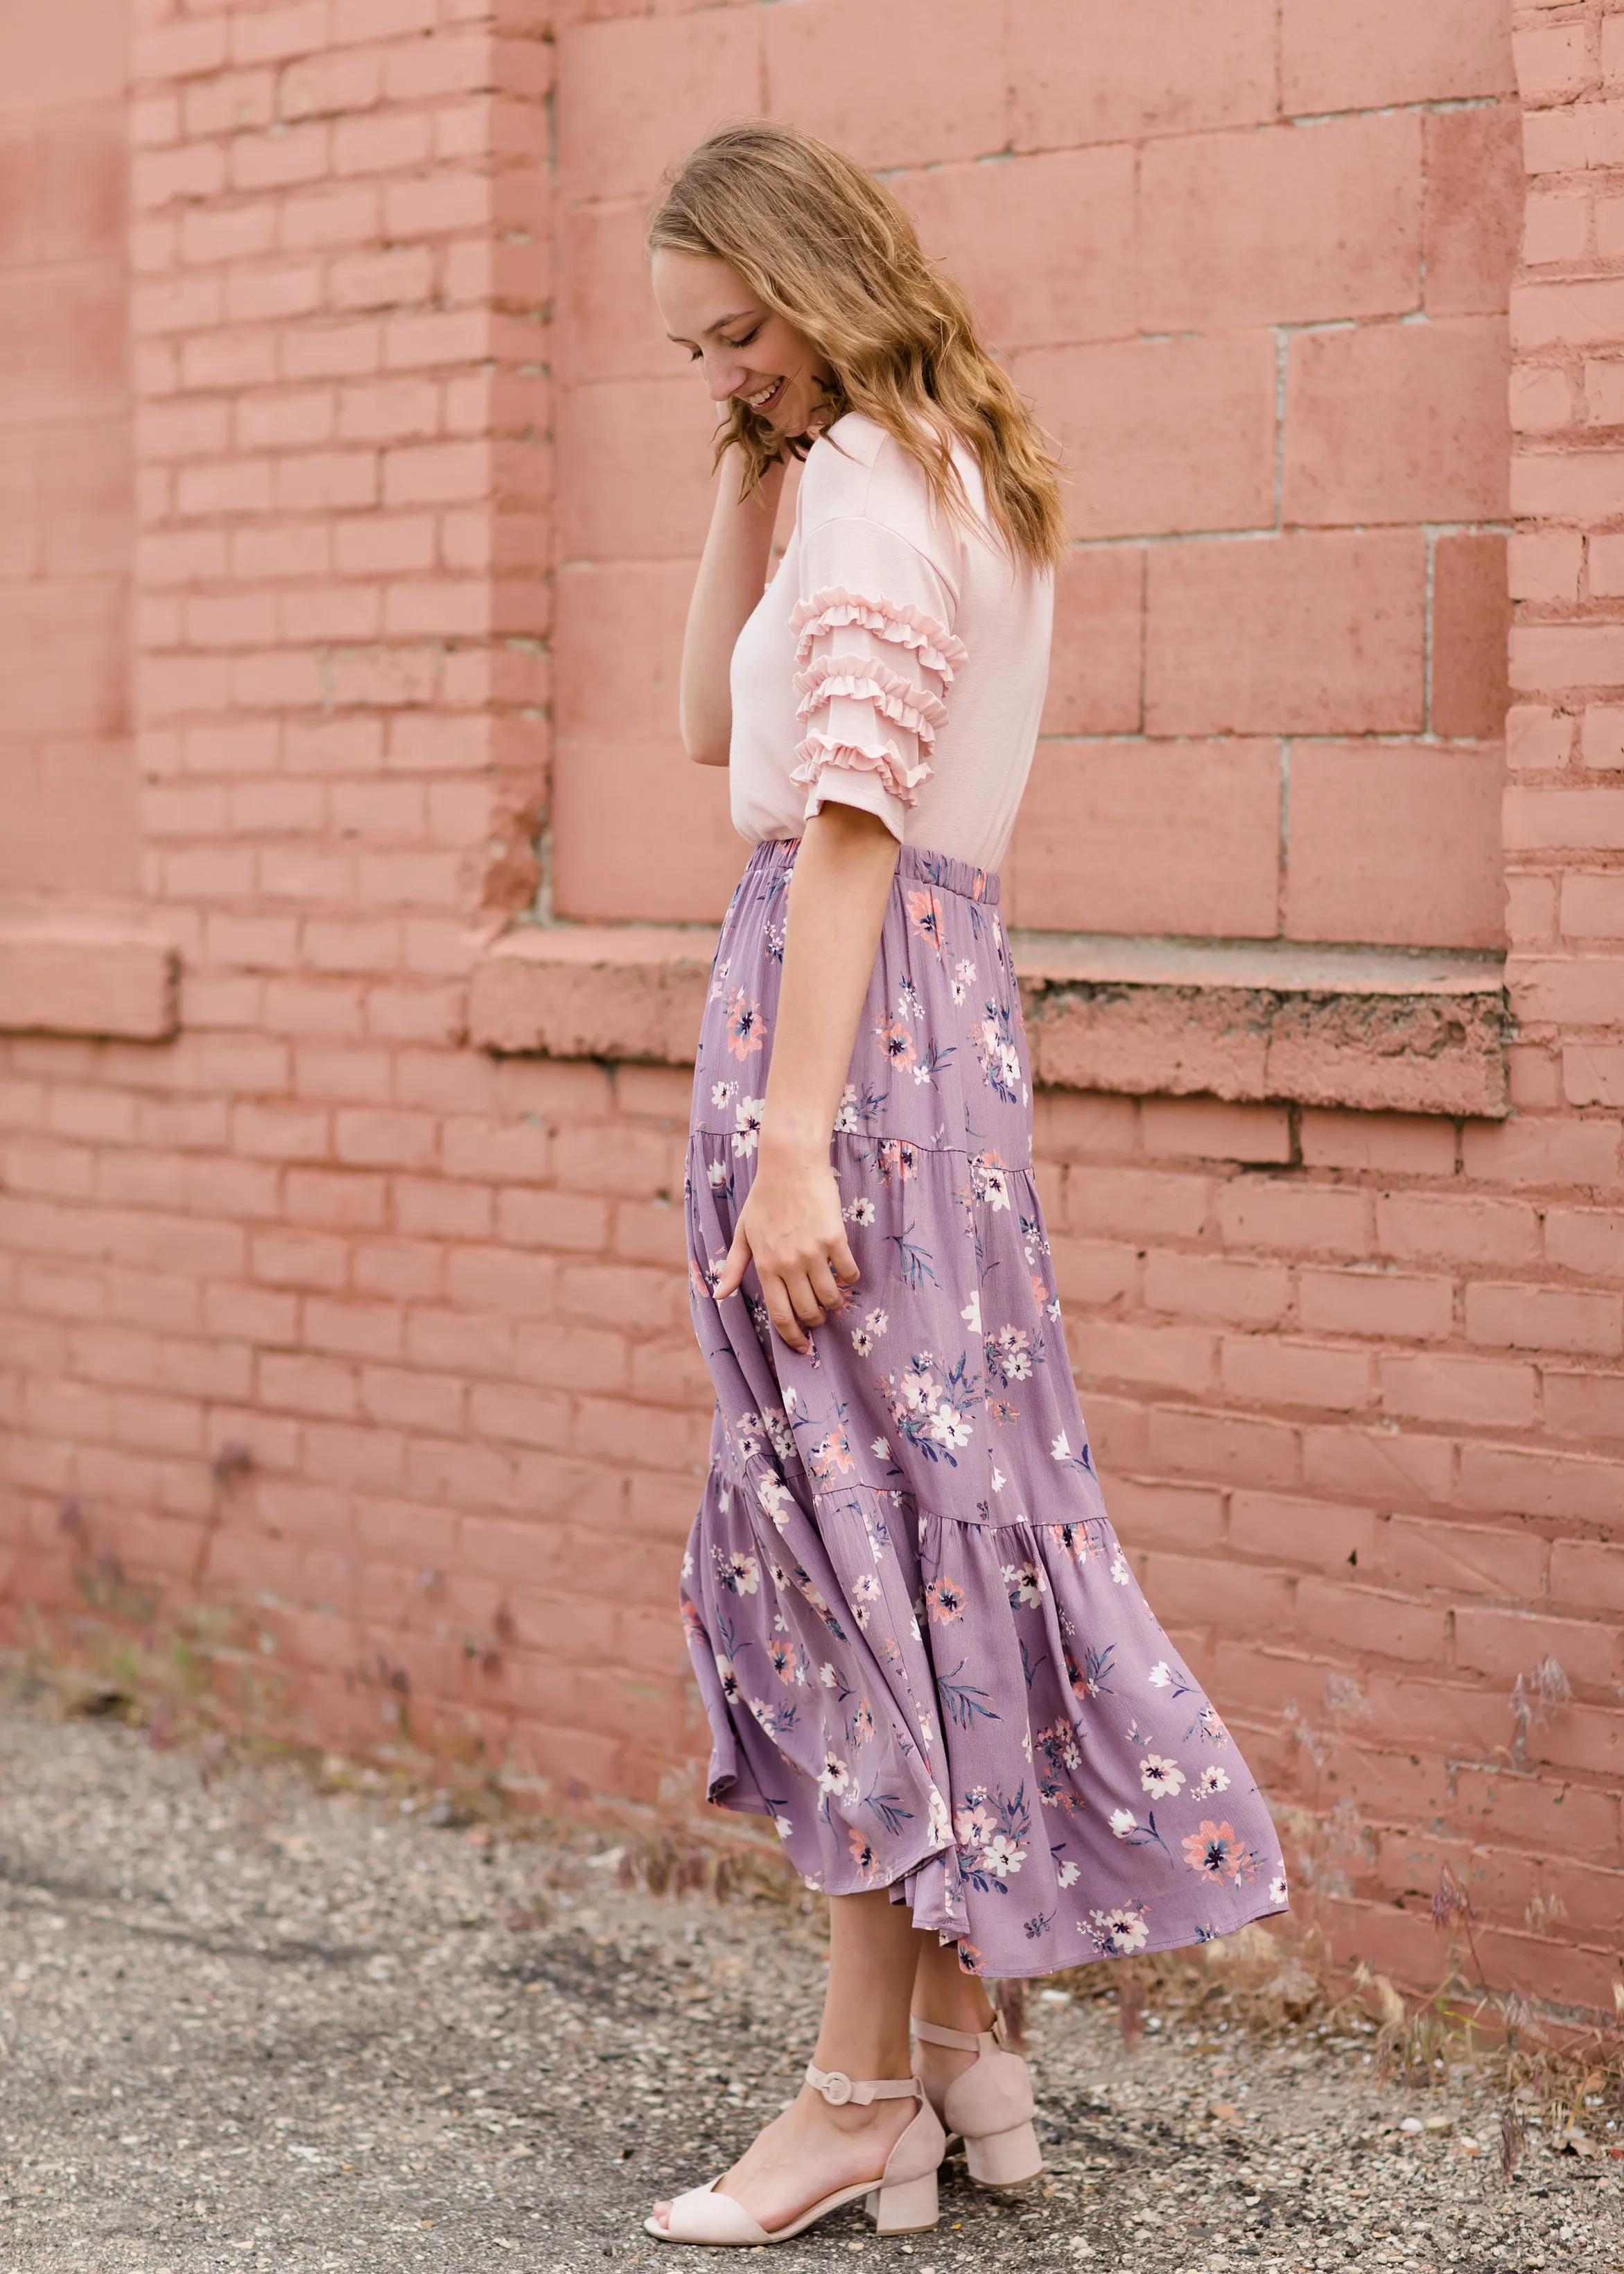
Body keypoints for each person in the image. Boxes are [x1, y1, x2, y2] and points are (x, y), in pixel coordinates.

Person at [642, 121, 1288, 2249]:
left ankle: (847, 2101)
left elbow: (839, 823)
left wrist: (801, 1134)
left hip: (847, 1025)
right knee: (920, 1517)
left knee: (845, 1533)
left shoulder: (876, 497)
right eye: (694, 351)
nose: (721, 372)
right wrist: (748, 451)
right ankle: (954, 2054)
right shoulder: (928, 471)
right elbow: (693, 722)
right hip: (937, 1015)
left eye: (738, 332)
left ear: (819, 285)